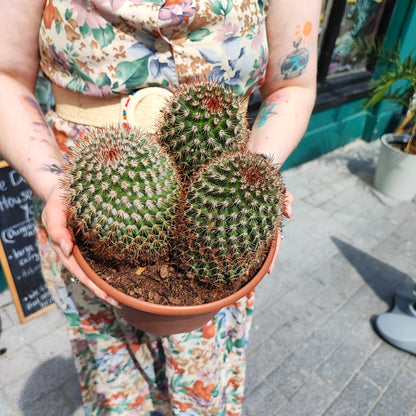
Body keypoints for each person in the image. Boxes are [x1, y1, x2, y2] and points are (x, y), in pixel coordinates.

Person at [0, 1, 320, 415]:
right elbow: (6, 75)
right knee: (114, 381)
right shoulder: (87, 191)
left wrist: (252, 179)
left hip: (218, 203)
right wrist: (53, 182)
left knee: (202, 384)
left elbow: (292, 83)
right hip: (87, 200)